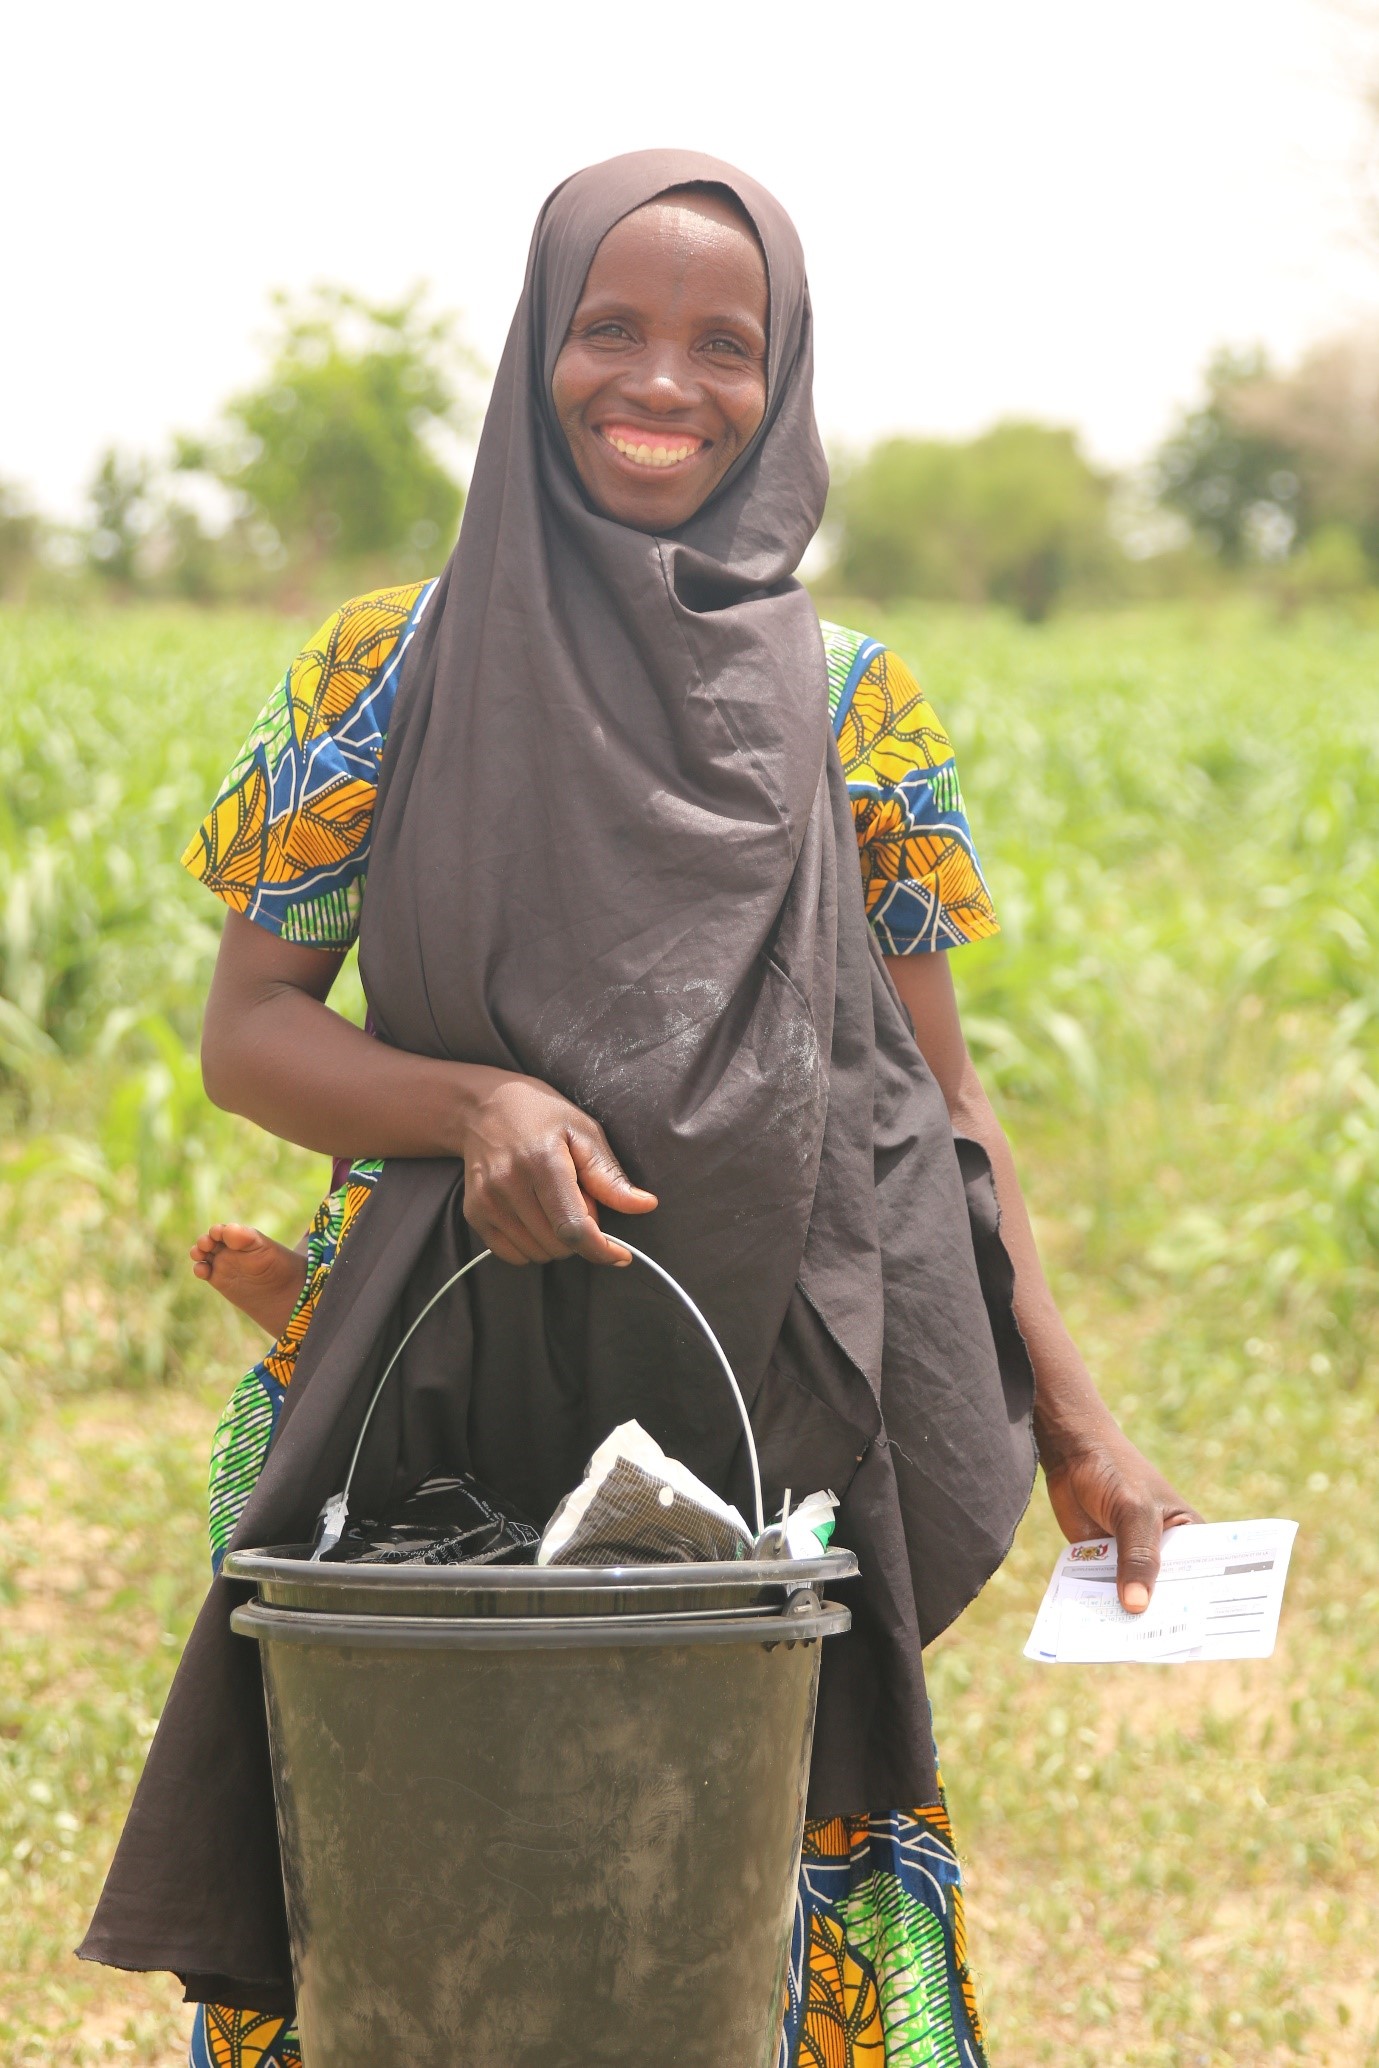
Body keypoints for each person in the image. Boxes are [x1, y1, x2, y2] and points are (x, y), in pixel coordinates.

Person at [84, 153, 1197, 2068]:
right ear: (538, 352)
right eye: (611, 329)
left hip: (760, 1405)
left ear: (787, 381)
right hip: (420, 1383)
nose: (660, 382)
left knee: (751, 1906)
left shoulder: (858, 706)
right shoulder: (386, 666)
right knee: (400, 1898)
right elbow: (251, 1034)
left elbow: (935, 1101)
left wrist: (1080, 1418)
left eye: (722, 344)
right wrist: (474, 1104)